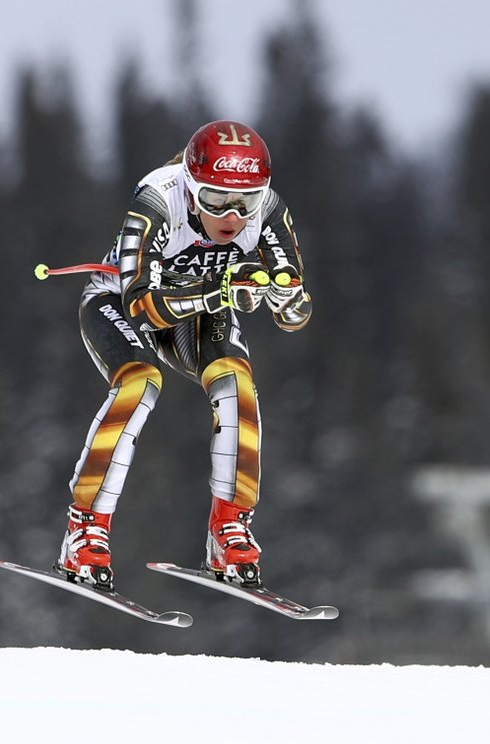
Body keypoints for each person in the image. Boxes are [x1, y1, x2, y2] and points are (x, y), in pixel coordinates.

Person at [53, 120, 311, 590]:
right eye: (215, 199)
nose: (232, 216)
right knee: (140, 383)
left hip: (199, 306)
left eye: (245, 202)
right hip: (120, 301)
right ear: (191, 189)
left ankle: (229, 528)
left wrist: (284, 296)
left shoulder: (269, 209)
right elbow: (142, 307)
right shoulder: (158, 197)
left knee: (237, 382)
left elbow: (295, 317)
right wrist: (225, 287)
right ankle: (84, 530)